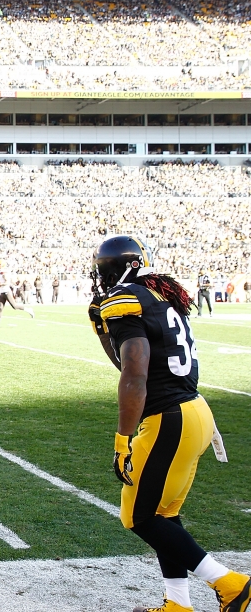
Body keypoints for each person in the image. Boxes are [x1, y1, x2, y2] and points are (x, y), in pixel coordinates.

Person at [89, 236, 249, 612]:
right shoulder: (157, 294)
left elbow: (134, 373)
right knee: (164, 515)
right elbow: (129, 360)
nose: (99, 277)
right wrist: (102, 332)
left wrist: (122, 439)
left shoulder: (126, 298)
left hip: (168, 417)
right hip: (193, 412)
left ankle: (230, 583)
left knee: (140, 518)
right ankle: (178, 604)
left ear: (116, 267)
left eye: (101, 269)